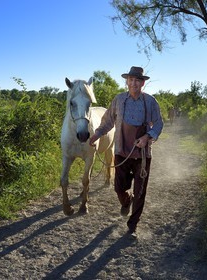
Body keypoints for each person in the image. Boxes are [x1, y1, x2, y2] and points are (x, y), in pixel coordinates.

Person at [89, 66, 164, 239]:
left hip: (142, 155)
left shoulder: (150, 102)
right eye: (131, 80)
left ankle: (132, 226)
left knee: (139, 191)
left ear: (143, 83)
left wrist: (147, 137)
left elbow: (159, 123)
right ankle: (126, 200)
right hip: (122, 151)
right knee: (118, 188)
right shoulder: (119, 100)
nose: (134, 83)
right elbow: (108, 121)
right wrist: (96, 135)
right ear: (127, 81)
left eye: (137, 80)